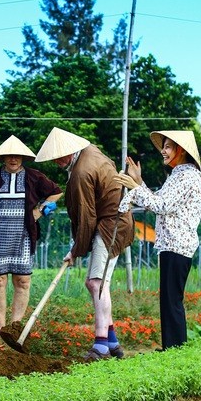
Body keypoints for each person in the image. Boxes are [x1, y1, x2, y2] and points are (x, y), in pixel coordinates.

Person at [35, 127, 134, 361]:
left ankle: (101, 345)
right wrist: (77, 249)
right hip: (114, 222)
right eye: (54, 158)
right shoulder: (90, 152)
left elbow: (86, 216)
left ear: (71, 150)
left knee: (95, 283)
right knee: (101, 283)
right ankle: (112, 342)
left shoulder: (82, 171)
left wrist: (76, 250)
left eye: (60, 156)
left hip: (111, 225)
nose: (57, 161)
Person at [0, 136, 63, 337]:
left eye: (17, 156)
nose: (13, 159)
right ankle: (0, 327)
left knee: (22, 280)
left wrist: (40, 210)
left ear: (22, 157)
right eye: (9, 156)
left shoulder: (34, 176)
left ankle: (15, 328)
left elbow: (56, 193)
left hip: (23, 234)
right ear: (3, 158)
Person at [115, 130, 201, 350]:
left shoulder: (186, 177)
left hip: (177, 244)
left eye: (168, 147)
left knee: (172, 301)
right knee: (169, 300)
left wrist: (135, 187)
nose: (163, 152)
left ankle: (175, 350)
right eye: (163, 147)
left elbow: (161, 206)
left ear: (181, 150)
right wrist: (139, 182)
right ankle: (172, 348)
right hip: (173, 244)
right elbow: (158, 201)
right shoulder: (178, 175)